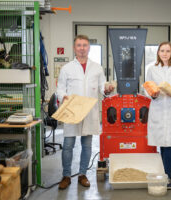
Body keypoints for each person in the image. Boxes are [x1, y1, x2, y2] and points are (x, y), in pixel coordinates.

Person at [56, 35, 114, 190]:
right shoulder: (67, 68)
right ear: (74, 48)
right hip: (72, 110)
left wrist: (107, 88)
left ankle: (82, 174)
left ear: (89, 48)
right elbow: (60, 89)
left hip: (89, 111)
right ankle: (66, 175)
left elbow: (103, 86)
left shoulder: (97, 67)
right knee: (68, 145)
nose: (82, 48)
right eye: (79, 45)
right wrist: (63, 96)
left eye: (85, 45)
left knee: (87, 145)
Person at [145, 42, 171, 189]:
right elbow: (146, 88)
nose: (165, 53)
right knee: (161, 143)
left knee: (169, 145)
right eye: (162, 51)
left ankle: (168, 176)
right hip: (158, 109)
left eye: (168, 51)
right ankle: (162, 174)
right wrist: (152, 95)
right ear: (158, 53)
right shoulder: (152, 69)